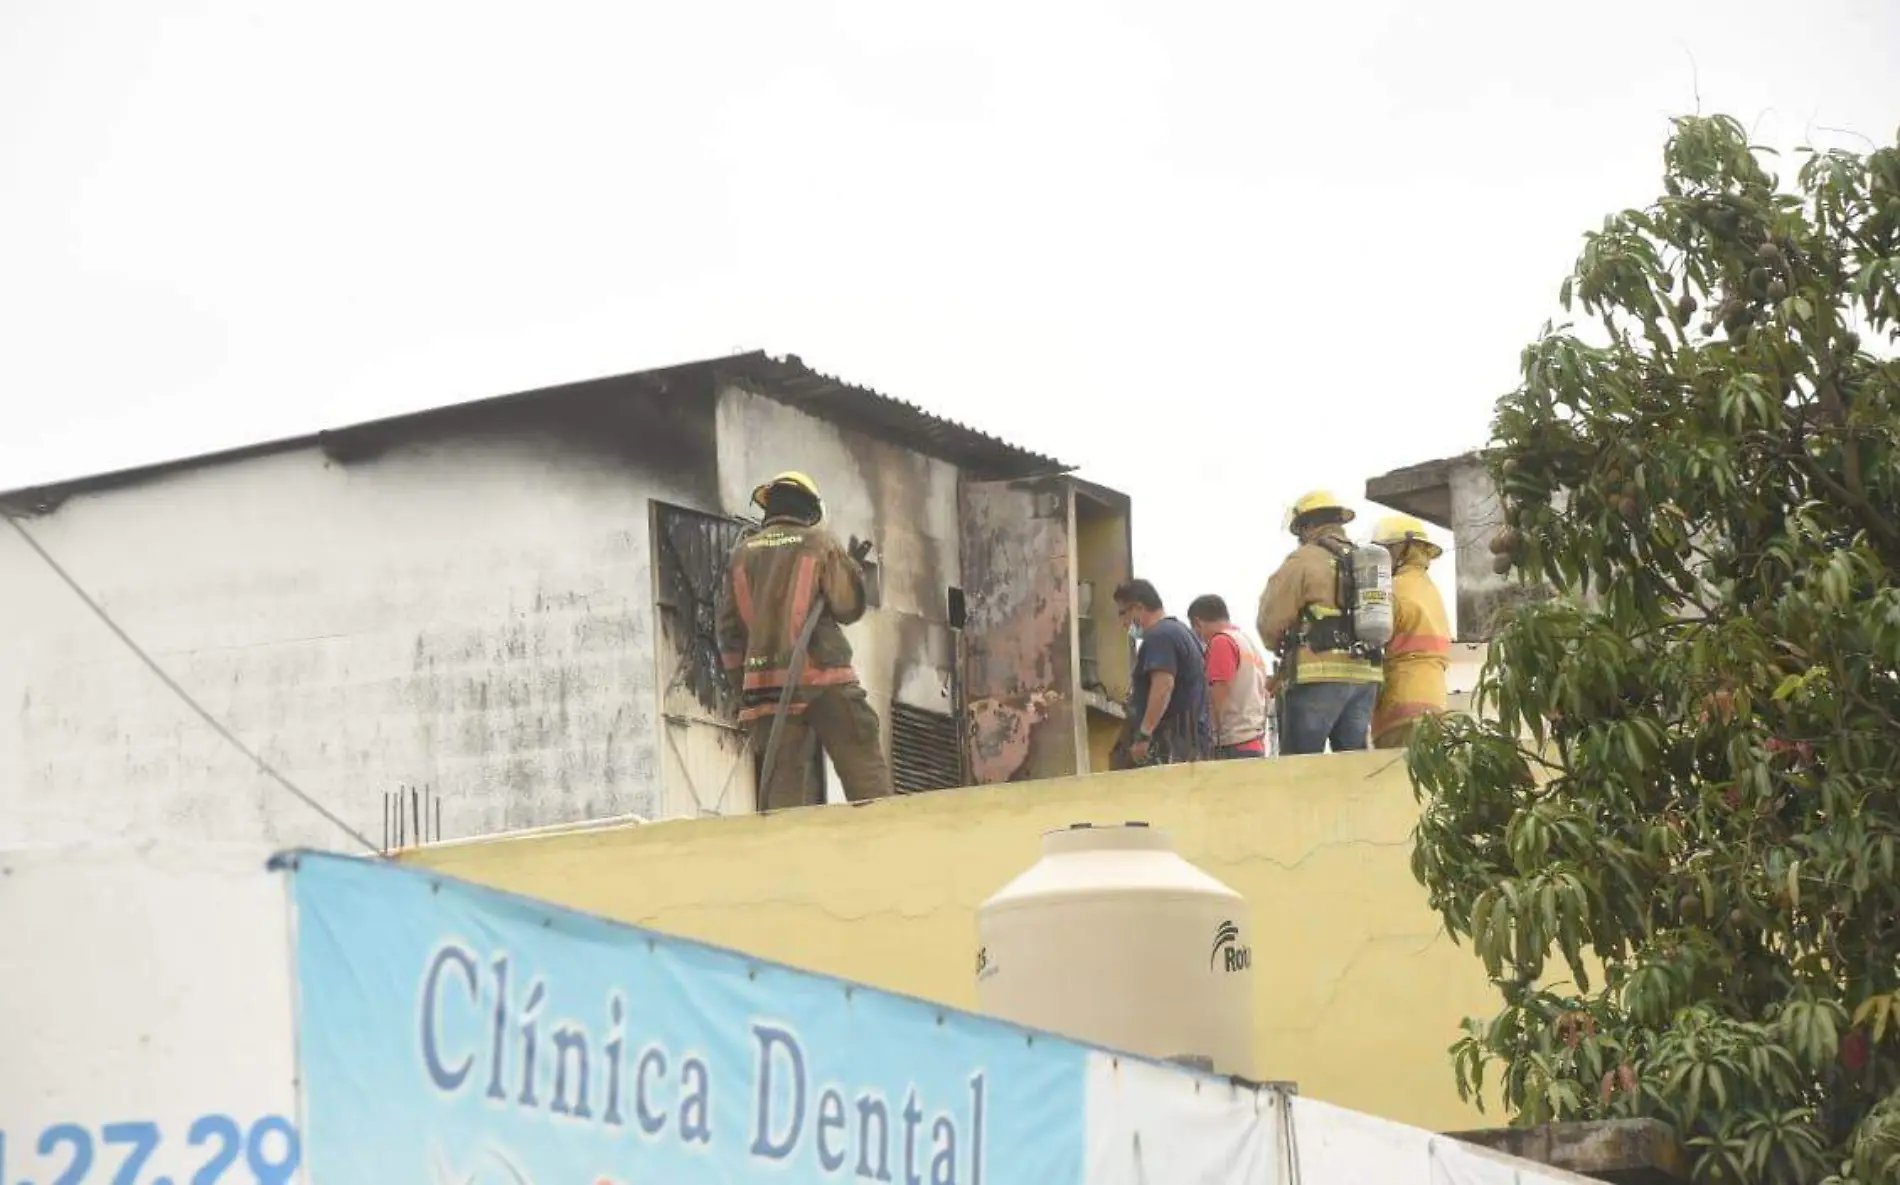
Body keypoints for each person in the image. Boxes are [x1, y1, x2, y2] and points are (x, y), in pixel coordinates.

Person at [715, 471, 893, 811]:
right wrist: (850, 572)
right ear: (811, 510)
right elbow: (847, 608)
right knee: (863, 763)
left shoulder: (741, 555)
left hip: (766, 692)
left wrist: (745, 687)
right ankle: (882, 837)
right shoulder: (819, 544)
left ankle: (790, 856)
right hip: (825, 679)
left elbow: (728, 634)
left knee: (785, 792)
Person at [1255, 490, 1384, 755]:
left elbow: (1271, 620)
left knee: (1301, 765)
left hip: (1318, 674)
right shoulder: (1364, 559)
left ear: (1308, 525)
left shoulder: (1303, 560)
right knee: (1352, 764)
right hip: (1365, 675)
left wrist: (1275, 643)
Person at [1370, 514, 1451, 749]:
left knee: (1397, 781)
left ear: (1400, 550)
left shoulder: (1392, 590)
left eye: (1385, 551)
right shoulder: (1430, 590)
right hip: (1435, 703)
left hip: (1400, 706)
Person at [1112, 580, 1211, 767]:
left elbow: (1163, 685)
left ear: (1138, 608)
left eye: (1122, 613)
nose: (1123, 623)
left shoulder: (1160, 636)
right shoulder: (1184, 633)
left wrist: (1144, 734)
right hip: (1191, 744)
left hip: (1170, 746)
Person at [1186, 594, 1269, 759]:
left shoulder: (1221, 642)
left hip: (1232, 743)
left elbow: (1220, 690)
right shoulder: (1246, 642)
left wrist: (1204, 735)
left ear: (1198, 623)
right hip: (1253, 740)